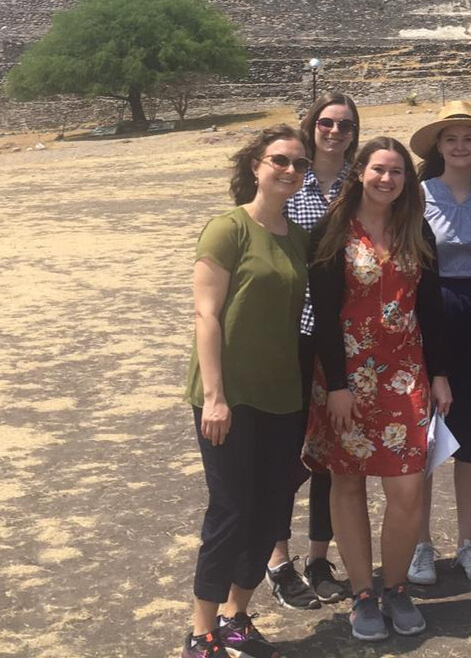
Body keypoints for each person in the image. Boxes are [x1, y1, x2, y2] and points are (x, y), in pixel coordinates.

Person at [304, 138, 453, 642]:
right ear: (360, 174)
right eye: (378, 170)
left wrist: (439, 374)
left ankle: (397, 587)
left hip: (405, 372)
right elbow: (324, 315)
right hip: (347, 377)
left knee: (407, 486)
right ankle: (363, 594)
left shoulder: (416, 229)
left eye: (397, 173)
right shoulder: (332, 232)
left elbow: (431, 307)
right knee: (347, 483)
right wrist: (339, 386)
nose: (387, 179)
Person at [181, 125, 312, 658]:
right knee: (231, 509)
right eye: (279, 160)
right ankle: (200, 630)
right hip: (228, 394)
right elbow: (205, 314)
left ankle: (238, 615)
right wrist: (215, 396)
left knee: (272, 506)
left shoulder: (297, 237)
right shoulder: (227, 228)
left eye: (299, 164)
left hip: (281, 392)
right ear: (255, 165)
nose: (290, 171)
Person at [407, 101, 471, 587]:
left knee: (470, 434)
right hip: (430, 310)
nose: (460, 145)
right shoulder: (419, 194)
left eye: (468, 138)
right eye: (451, 138)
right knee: (425, 433)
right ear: (438, 146)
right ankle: (420, 543)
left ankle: (469, 540)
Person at [266, 93, 360, 610]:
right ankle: (277, 558)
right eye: (326, 122)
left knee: (333, 453)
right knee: (287, 448)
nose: (334, 132)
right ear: (311, 126)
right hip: (295, 332)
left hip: (343, 336)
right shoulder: (288, 179)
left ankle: (319, 556)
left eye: (345, 125)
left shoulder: (358, 184)